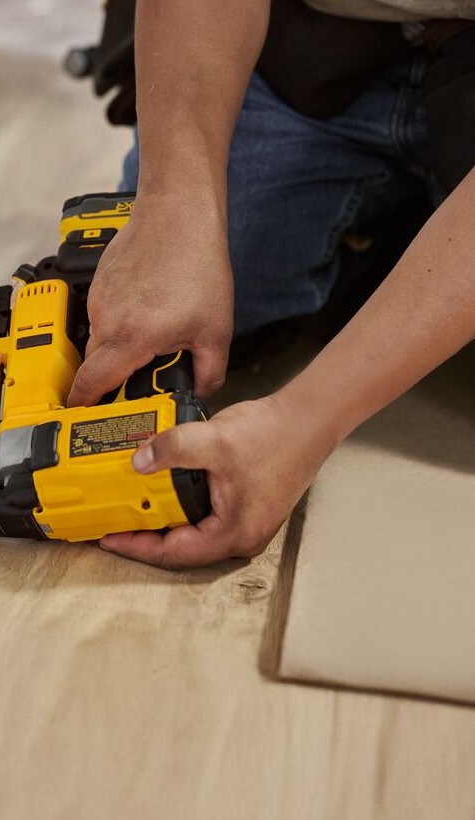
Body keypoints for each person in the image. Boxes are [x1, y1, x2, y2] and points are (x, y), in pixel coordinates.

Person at [66, 0, 475, 569]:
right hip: (308, 43)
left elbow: (298, 427)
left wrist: (299, 423)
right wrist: (174, 205)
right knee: (160, 311)